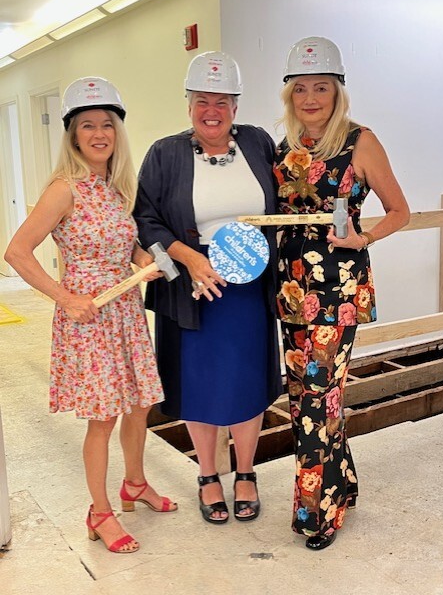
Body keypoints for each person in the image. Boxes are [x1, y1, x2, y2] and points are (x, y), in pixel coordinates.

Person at [4, 77, 177, 554]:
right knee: (102, 419)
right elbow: (16, 252)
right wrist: (64, 297)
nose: (99, 133)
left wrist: (142, 259)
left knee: (140, 403)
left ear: (118, 131)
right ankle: (98, 512)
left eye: (108, 124)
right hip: (88, 317)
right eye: (88, 125)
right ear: (73, 134)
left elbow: (127, 245)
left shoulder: (116, 186)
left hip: (124, 310)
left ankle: (135, 484)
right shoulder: (65, 189)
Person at [133, 51, 282, 525]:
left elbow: (287, 197)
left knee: (247, 381)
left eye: (222, 101)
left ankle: (244, 472)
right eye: (202, 100)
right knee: (199, 384)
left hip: (249, 289)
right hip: (195, 291)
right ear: (188, 105)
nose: (211, 110)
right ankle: (207, 474)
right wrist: (191, 258)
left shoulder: (258, 143)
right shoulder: (165, 153)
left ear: (236, 107)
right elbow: (146, 218)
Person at [273, 37, 410, 550]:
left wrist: (366, 236)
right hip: (290, 289)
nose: (311, 97)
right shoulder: (280, 145)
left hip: (338, 290)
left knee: (316, 399)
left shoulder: (360, 142)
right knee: (309, 398)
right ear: (290, 94)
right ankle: (344, 485)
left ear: (338, 91)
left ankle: (318, 514)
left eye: (322, 87)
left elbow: (400, 209)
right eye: (301, 88)